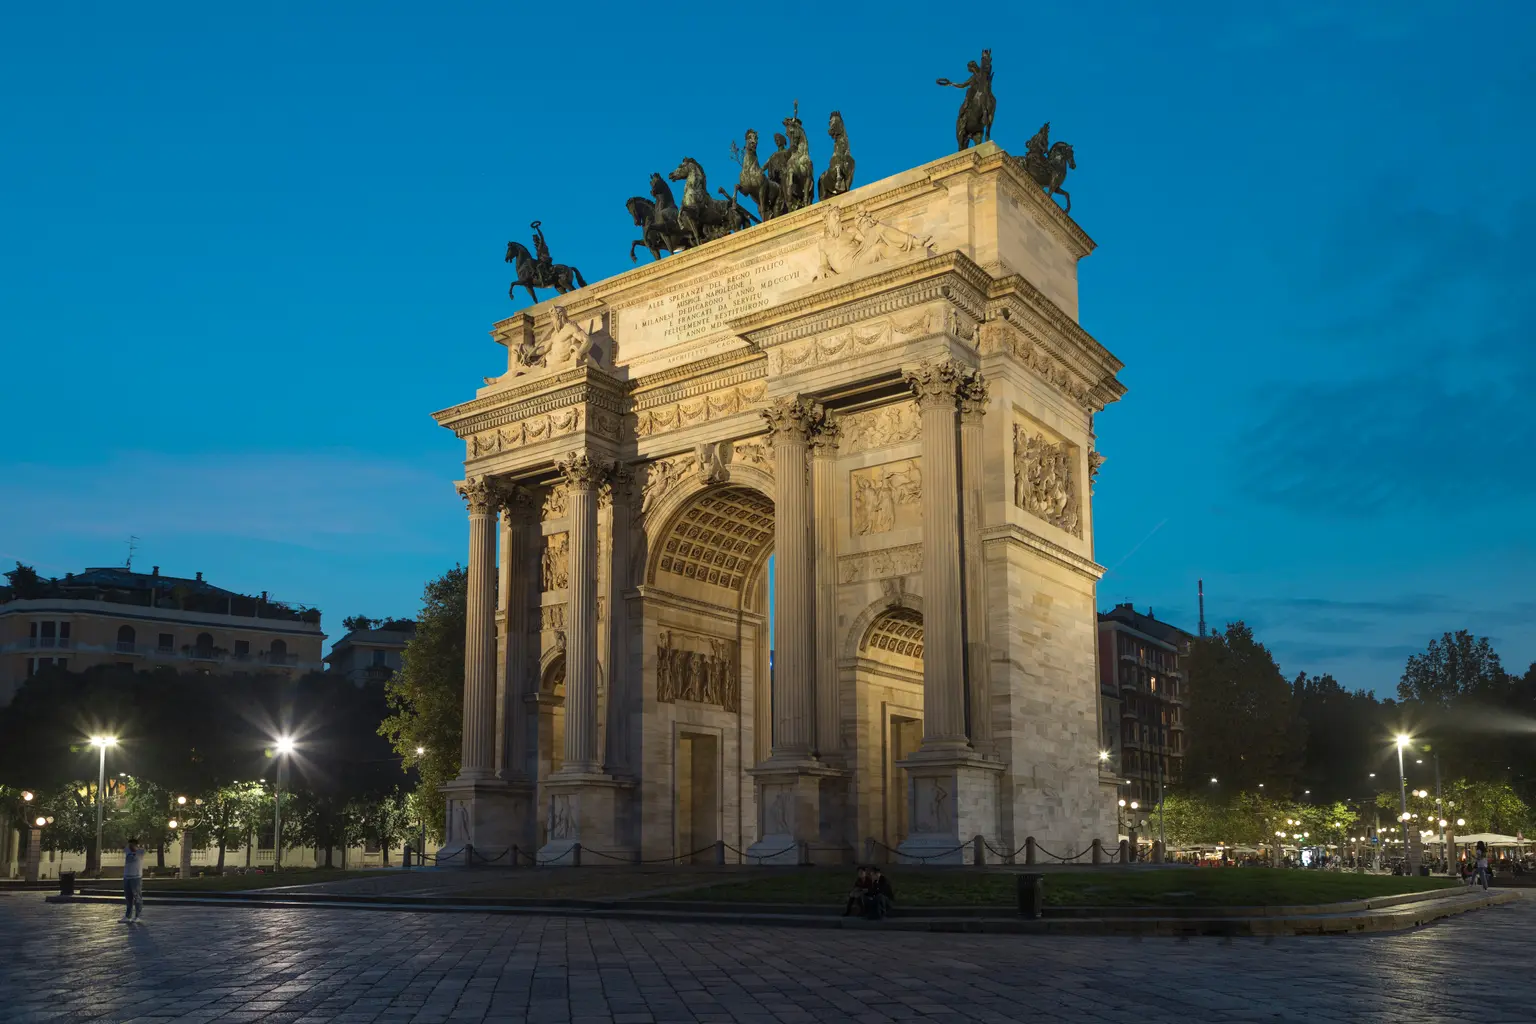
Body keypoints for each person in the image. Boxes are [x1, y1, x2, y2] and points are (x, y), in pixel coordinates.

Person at [121, 836, 145, 922]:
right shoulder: (127, 850)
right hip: (127, 876)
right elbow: (122, 844)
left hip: (136, 877)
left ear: (136, 845)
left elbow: (137, 849)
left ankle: (138, 916)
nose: (130, 846)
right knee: (128, 897)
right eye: (129, 845)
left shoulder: (140, 851)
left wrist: (135, 847)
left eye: (132, 845)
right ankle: (128, 916)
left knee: (137, 896)